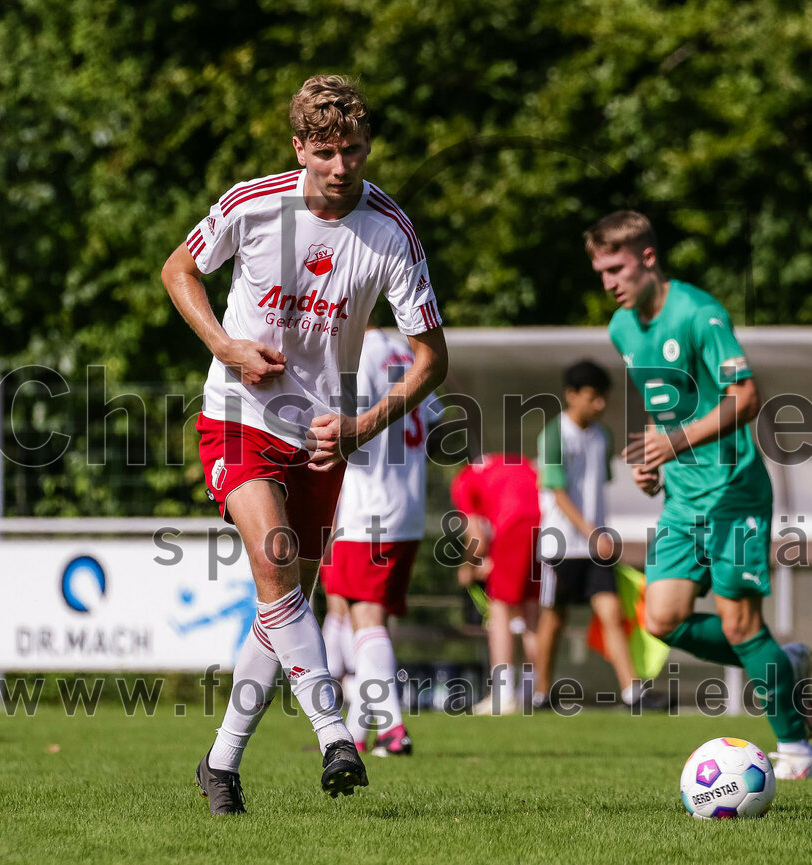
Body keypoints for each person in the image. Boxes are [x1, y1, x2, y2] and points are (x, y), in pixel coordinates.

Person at [160, 74, 448, 814]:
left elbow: (431, 360)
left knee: (280, 602)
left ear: (368, 144)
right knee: (280, 562)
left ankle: (220, 763)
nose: (342, 165)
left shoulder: (392, 230)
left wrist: (362, 424)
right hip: (239, 414)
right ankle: (334, 734)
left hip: (323, 432)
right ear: (299, 148)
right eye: (325, 151)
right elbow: (178, 269)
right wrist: (226, 345)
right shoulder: (251, 203)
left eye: (353, 148)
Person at [584, 210, 812, 780]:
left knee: (739, 624)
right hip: (684, 498)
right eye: (599, 272)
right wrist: (651, 462)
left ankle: (797, 751)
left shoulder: (700, 313)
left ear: (647, 258)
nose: (609, 283)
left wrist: (674, 441)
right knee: (661, 619)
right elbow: (664, 404)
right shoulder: (622, 329)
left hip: (734, 489)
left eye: (616, 268)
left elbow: (745, 397)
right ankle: (780, 665)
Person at [320, 324, 441, 757]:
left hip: (367, 505)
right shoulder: (405, 353)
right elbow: (437, 418)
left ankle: (392, 729)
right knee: (370, 621)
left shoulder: (357, 354)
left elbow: (339, 425)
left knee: (363, 616)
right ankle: (357, 733)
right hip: (407, 504)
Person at [534, 360, 643, 709]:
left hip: (595, 546)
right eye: (593, 397)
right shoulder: (554, 434)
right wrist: (593, 532)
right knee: (554, 617)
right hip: (561, 545)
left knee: (611, 612)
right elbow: (557, 492)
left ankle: (632, 691)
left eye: (603, 398)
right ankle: (540, 692)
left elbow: (599, 487)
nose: (600, 405)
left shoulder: (602, 436)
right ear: (572, 395)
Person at [450, 454, 540, 715]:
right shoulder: (514, 462)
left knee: (499, 611)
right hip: (544, 525)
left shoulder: (463, 481)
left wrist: (467, 567)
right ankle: (533, 693)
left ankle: (503, 696)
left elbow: (476, 536)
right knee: (531, 612)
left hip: (511, 524)